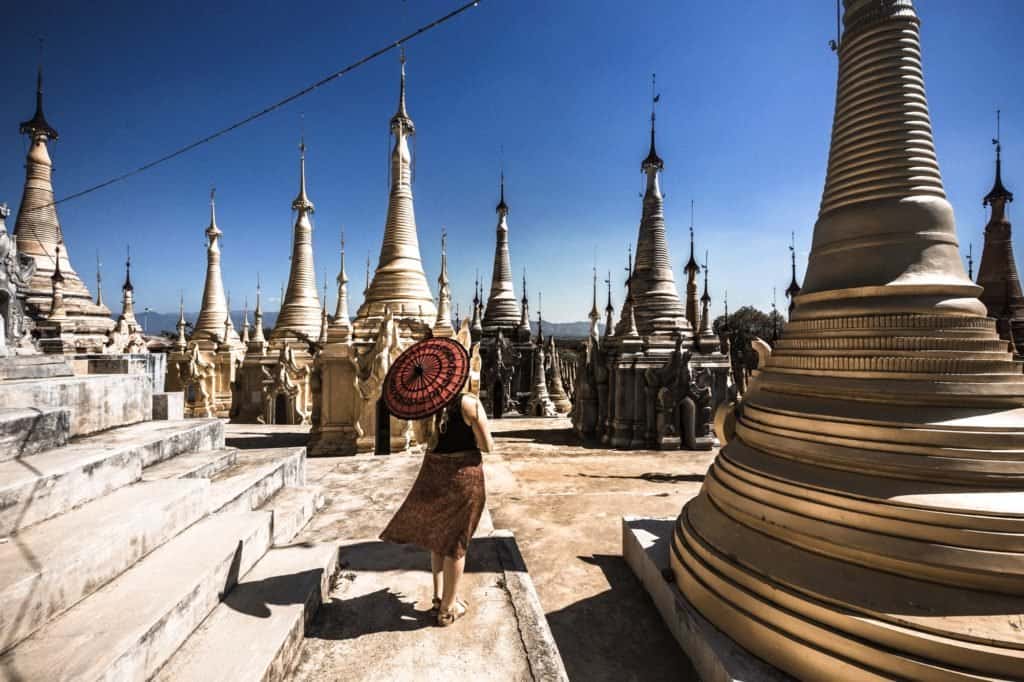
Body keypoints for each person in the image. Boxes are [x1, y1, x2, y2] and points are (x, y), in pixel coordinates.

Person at [380, 390, 494, 626]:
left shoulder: (429, 405)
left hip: (435, 476)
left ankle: (439, 597)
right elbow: (487, 445)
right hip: (463, 478)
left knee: (438, 540)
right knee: (456, 544)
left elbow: (426, 441)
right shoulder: (469, 403)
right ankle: (448, 609)